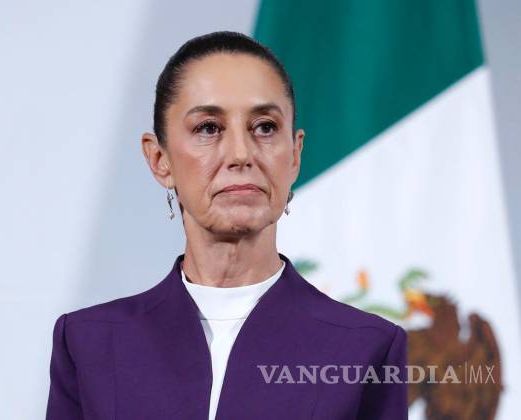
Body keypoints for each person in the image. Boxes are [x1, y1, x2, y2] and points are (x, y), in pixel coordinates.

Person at [45, 30, 408, 420]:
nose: (240, 154)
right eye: (208, 128)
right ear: (159, 160)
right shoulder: (89, 343)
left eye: (265, 127)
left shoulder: (366, 348)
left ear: (295, 155)